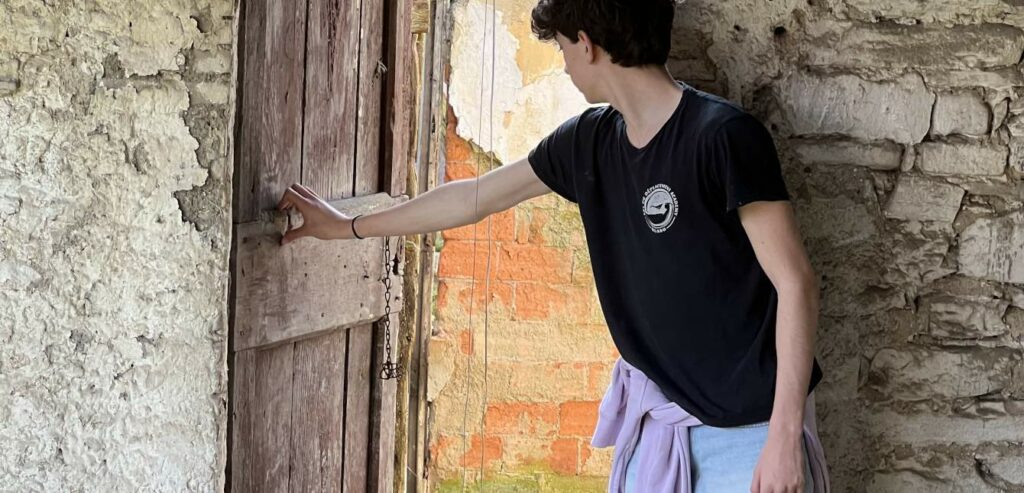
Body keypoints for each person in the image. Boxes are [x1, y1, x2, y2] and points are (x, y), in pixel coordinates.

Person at [276, 0, 831, 491]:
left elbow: (796, 282)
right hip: (660, 432)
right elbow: (472, 197)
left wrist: (783, 439)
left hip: (750, 437)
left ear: (586, 45)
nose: (564, 63)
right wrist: (347, 225)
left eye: (564, 47)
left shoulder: (724, 136)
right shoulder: (589, 141)